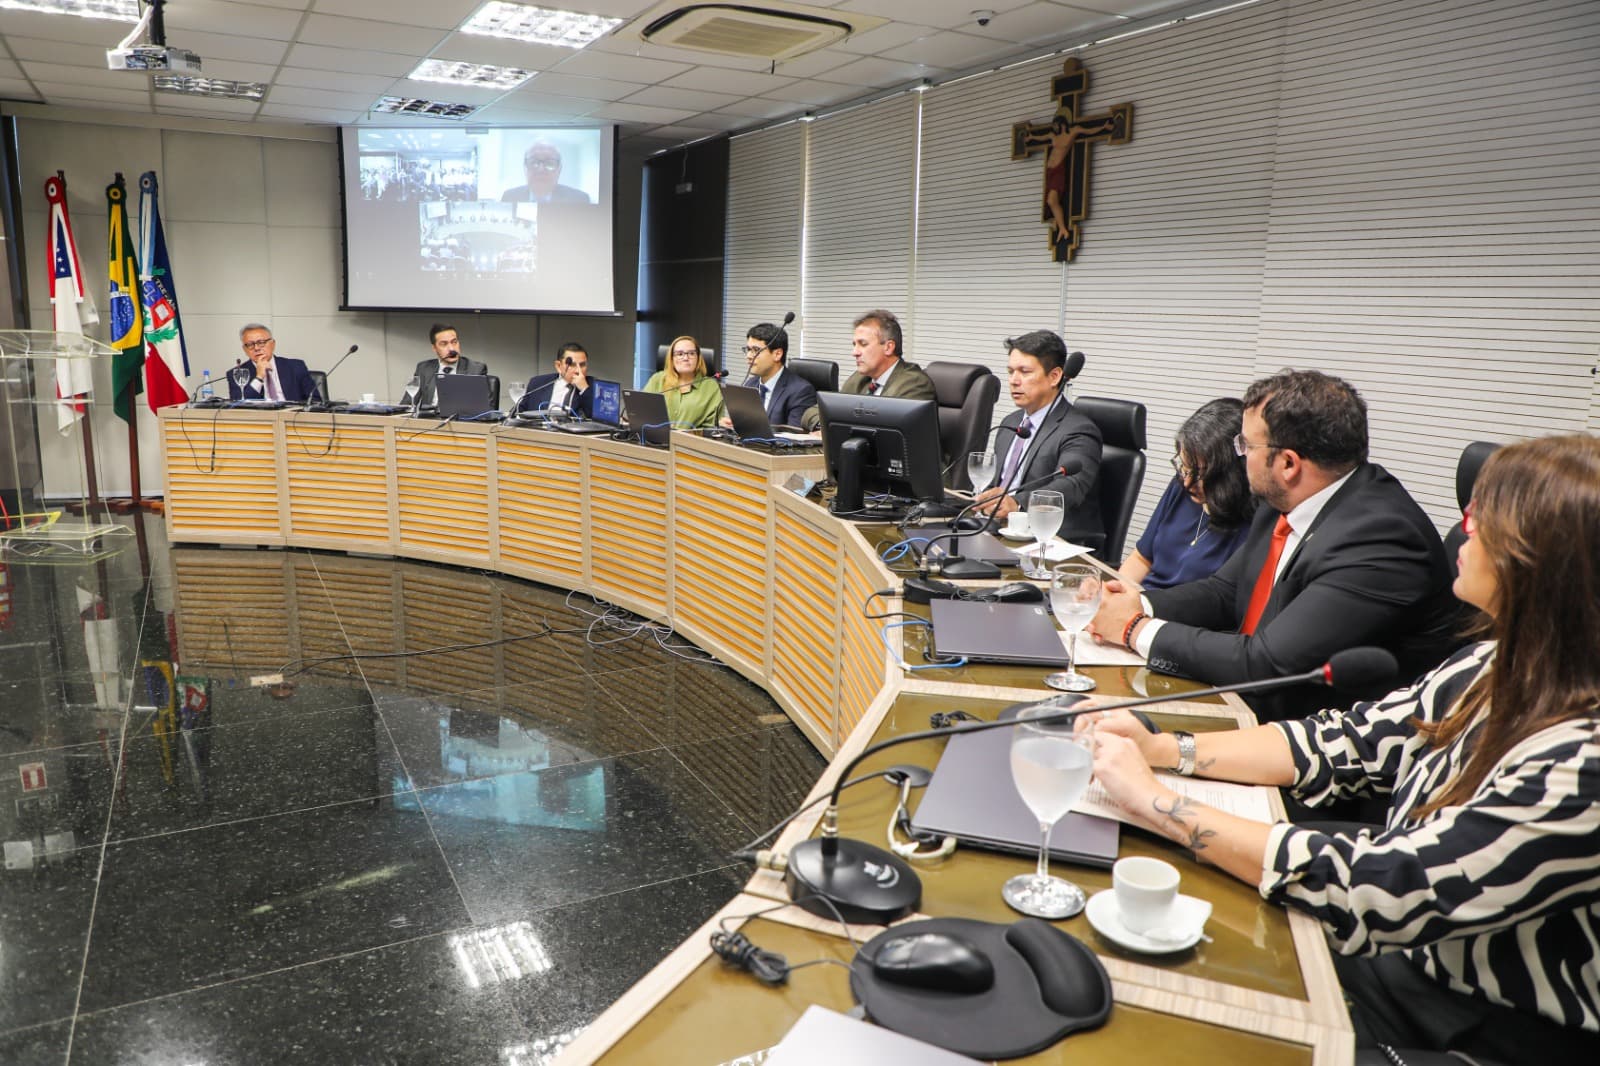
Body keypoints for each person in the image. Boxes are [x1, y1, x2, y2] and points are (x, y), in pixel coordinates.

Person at [1079, 433, 1600, 1065]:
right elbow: (1340, 743)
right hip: (1406, 963)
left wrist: (1160, 805)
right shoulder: (1493, 664)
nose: (1462, 528)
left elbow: (1391, 887)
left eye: (1481, 517)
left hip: (1480, 1027)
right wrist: (1165, 749)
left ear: (1545, 561)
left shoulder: (1585, 764)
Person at [1089, 369, 1459, 723]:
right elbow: (1224, 591)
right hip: (1252, 700)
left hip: (1319, 735)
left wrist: (1135, 628)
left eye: (1246, 445)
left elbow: (1266, 662)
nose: (1240, 455)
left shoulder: (1382, 539)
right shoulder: (1286, 500)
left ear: (1288, 463)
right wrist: (1138, 604)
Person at [972, 329, 1103, 547]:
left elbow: (1070, 484)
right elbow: (997, 485)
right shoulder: (1011, 423)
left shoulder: (1079, 430)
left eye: (1024, 372)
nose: (1014, 381)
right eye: (1010, 371)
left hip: (1050, 540)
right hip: (1000, 531)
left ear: (1054, 376)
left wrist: (1017, 503)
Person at [1120, 398, 1255, 589]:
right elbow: (1141, 558)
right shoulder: (1180, 486)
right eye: (1185, 468)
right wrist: (1114, 592)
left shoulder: (1253, 524)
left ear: (1232, 474)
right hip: (1140, 599)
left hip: (1176, 607)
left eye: (1200, 474)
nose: (1187, 483)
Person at [799, 309, 935, 431]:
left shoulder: (914, 383)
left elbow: (887, 429)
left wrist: (838, 428)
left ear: (888, 347)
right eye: (854, 345)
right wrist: (824, 427)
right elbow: (813, 412)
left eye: (863, 344)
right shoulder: (859, 378)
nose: (855, 352)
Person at [736, 320, 816, 428]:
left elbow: (794, 435)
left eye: (756, 350)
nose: (749, 356)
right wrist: (732, 426)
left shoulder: (801, 391)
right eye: (748, 349)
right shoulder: (750, 384)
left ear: (777, 354)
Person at [644, 336, 724, 429]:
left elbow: (712, 427)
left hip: (692, 438)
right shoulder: (657, 379)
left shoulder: (711, 387)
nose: (686, 358)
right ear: (672, 358)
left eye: (691, 353)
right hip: (655, 436)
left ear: (698, 358)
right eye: (680, 354)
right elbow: (642, 410)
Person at [230, 323, 316, 402]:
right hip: (259, 414)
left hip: (291, 413)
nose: (256, 348)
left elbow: (315, 401)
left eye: (261, 342)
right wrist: (259, 377)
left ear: (273, 344)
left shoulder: (296, 367)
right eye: (250, 345)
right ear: (245, 349)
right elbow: (237, 405)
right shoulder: (237, 373)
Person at [407, 324, 488, 408]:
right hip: (429, 416)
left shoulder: (475, 369)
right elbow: (407, 404)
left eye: (454, 342)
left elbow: (481, 408)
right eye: (444, 344)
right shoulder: (424, 368)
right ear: (434, 348)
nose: (452, 349)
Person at [501, 141, 591, 205]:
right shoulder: (509, 196)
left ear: (559, 170)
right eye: (533, 162)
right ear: (524, 168)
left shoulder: (579, 199)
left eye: (550, 163)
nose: (541, 169)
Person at [520, 343, 594, 417]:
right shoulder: (538, 383)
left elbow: (597, 417)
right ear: (558, 366)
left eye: (582, 365)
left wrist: (584, 389)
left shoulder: (596, 387)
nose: (578, 370)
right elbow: (519, 413)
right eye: (572, 365)